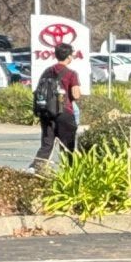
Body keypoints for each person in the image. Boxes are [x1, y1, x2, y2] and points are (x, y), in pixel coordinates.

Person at [29, 43, 82, 172]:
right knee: (67, 146)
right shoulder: (71, 73)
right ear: (69, 57)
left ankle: (35, 169)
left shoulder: (47, 71)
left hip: (47, 112)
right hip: (64, 112)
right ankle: (69, 173)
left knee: (47, 145)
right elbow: (76, 95)